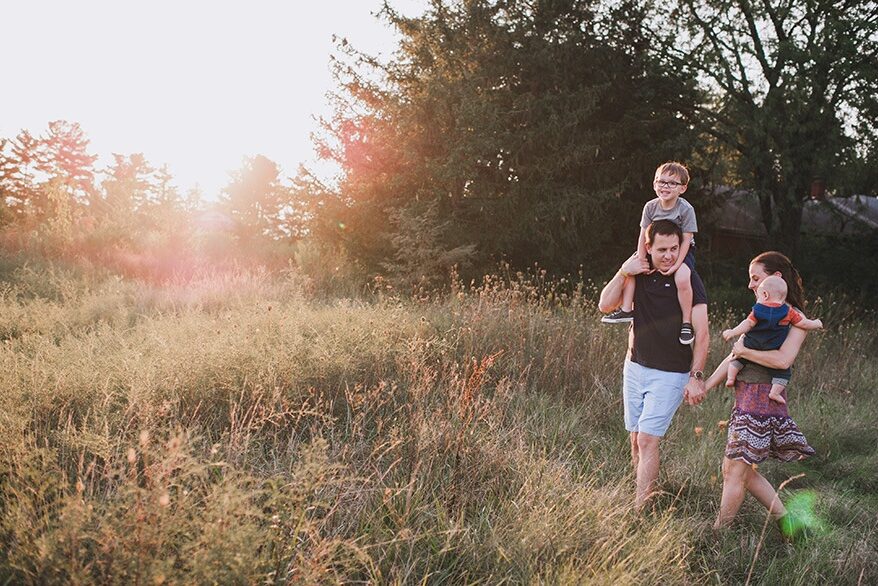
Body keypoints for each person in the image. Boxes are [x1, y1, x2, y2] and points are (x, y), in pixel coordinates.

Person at [599, 219, 710, 511]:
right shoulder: (638, 272)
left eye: (674, 248)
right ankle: (644, 493)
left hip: (671, 373)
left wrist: (696, 376)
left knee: (648, 439)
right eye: (662, 249)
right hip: (634, 367)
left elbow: (703, 334)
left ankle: (639, 511)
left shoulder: (688, 278)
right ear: (648, 247)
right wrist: (624, 271)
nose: (669, 255)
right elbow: (604, 305)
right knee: (635, 439)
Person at [704, 251, 817, 534]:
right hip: (746, 397)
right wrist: (705, 386)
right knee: (737, 470)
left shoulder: (795, 318)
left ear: (776, 277)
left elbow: (782, 361)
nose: (751, 285)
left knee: (735, 471)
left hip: (762, 401)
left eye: (756, 278)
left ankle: (719, 535)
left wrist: (744, 350)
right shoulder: (760, 313)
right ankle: (788, 521)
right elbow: (734, 354)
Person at [602, 161, 700, 345]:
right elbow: (643, 234)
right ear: (654, 184)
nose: (665, 186)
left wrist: (677, 265)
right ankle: (626, 309)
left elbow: (687, 240)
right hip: (652, 246)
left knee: (682, 277)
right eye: (661, 182)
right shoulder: (650, 207)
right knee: (633, 267)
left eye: (672, 183)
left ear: (683, 188)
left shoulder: (685, 209)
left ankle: (686, 323)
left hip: (680, 250)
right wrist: (641, 258)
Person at [722, 275, 824, 403]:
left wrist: (733, 331)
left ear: (764, 294)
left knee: (737, 358)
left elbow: (747, 323)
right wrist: (816, 323)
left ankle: (731, 378)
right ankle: (775, 392)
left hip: (752, 344)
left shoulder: (757, 310)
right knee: (783, 373)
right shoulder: (789, 311)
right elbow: (803, 324)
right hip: (772, 347)